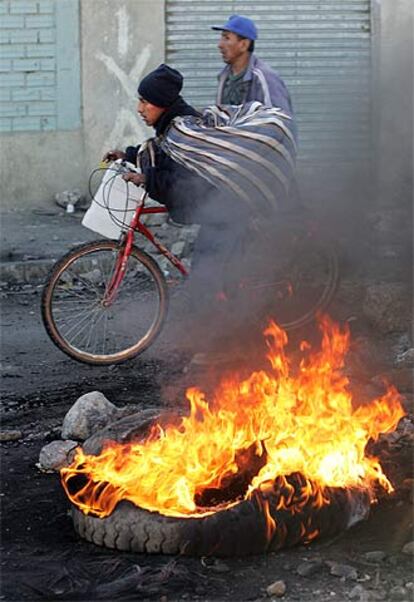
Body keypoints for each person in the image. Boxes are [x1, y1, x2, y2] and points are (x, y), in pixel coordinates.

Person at [212, 14, 293, 116]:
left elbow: (279, 123)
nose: (220, 45)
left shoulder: (265, 78)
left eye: (226, 38)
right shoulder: (224, 77)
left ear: (244, 45)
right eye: (221, 38)